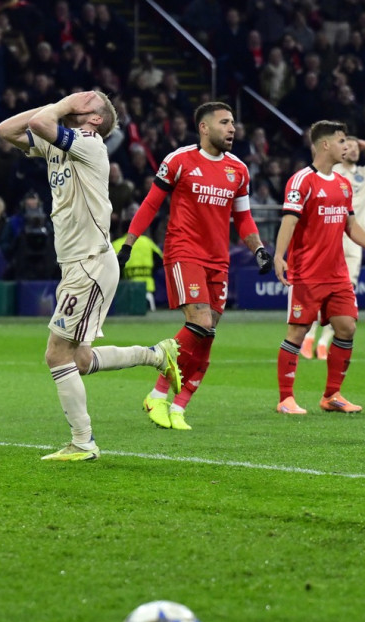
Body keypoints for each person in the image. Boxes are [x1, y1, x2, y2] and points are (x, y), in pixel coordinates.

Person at [0, 90, 183, 461]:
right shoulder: (57, 142)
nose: (75, 102)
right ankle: (156, 354)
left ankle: (83, 442)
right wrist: (60, 106)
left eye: (85, 102)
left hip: (89, 263)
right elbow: (6, 130)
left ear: (95, 119)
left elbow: (38, 123)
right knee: (79, 360)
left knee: (56, 354)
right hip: (79, 263)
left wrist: (64, 103)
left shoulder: (90, 143)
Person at [117, 102, 273, 431]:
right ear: (204, 127)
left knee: (207, 335)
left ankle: (178, 407)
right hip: (184, 251)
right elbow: (151, 204)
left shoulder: (238, 170)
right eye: (224, 122)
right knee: (200, 321)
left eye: (233, 123)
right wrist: (129, 243)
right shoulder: (179, 160)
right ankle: (157, 394)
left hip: (219, 260)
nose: (232, 129)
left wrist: (258, 248)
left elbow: (243, 217)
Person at [273, 120, 365, 415]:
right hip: (307, 272)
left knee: (347, 327)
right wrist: (279, 256)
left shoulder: (343, 184)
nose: (346, 146)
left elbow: (350, 224)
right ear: (325, 145)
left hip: (337, 273)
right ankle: (286, 399)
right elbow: (289, 221)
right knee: (297, 332)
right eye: (341, 141)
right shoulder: (301, 181)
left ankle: (332, 395)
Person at [302, 136, 365, 360]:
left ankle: (323, 342)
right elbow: (314, 148)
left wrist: (364, 143)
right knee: (320, 290)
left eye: (355, 148)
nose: (353, 150)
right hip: (329, 238)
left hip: (354, 242)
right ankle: (309, 337)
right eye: (348, 146)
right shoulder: (330, 171)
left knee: (345, 293)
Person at [112, 225, 162, 311]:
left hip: (126, 289)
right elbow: (160, 260)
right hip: (147, 287)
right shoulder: (147, 241)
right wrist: (151, 270)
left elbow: (112, 267)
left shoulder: (116, 244)